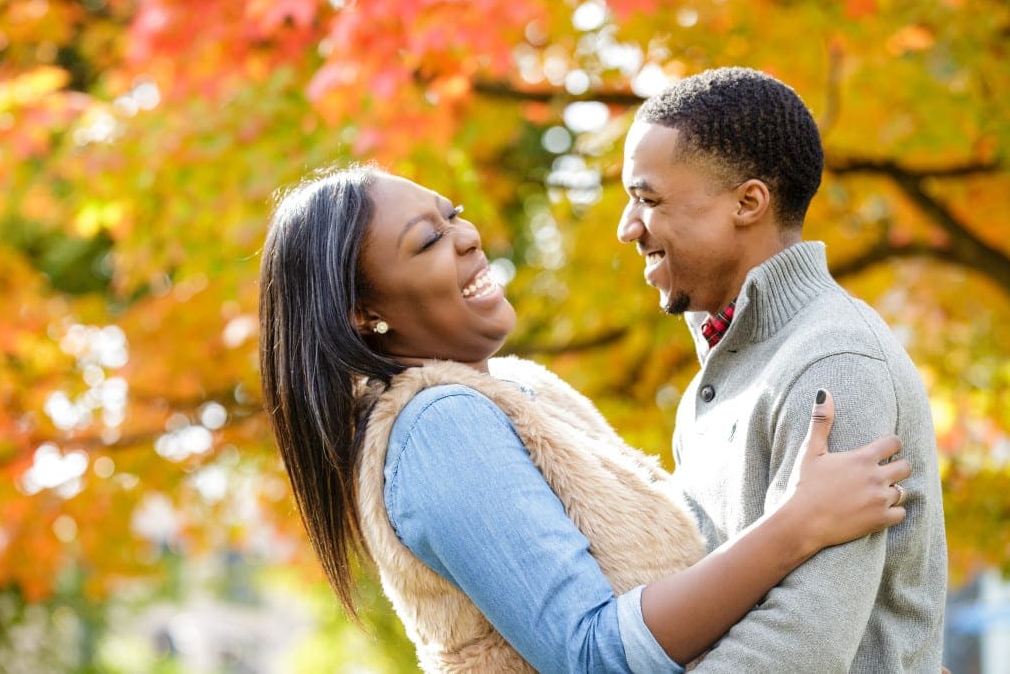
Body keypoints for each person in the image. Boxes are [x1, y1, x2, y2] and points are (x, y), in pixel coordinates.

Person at [258, 164, 911, 673]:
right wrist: (799, 524)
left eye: (451, 213)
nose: (467, 235)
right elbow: (592, 654)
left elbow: (686, 573)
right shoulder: (437, 428)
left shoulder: (522, 388)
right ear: (363, 314)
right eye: (428, 239)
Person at [616, 67, 947, 672]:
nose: (627, 228)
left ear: (748, 203)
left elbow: (802, 643)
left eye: (648, 199)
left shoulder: (834, 365)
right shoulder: (718, 377)